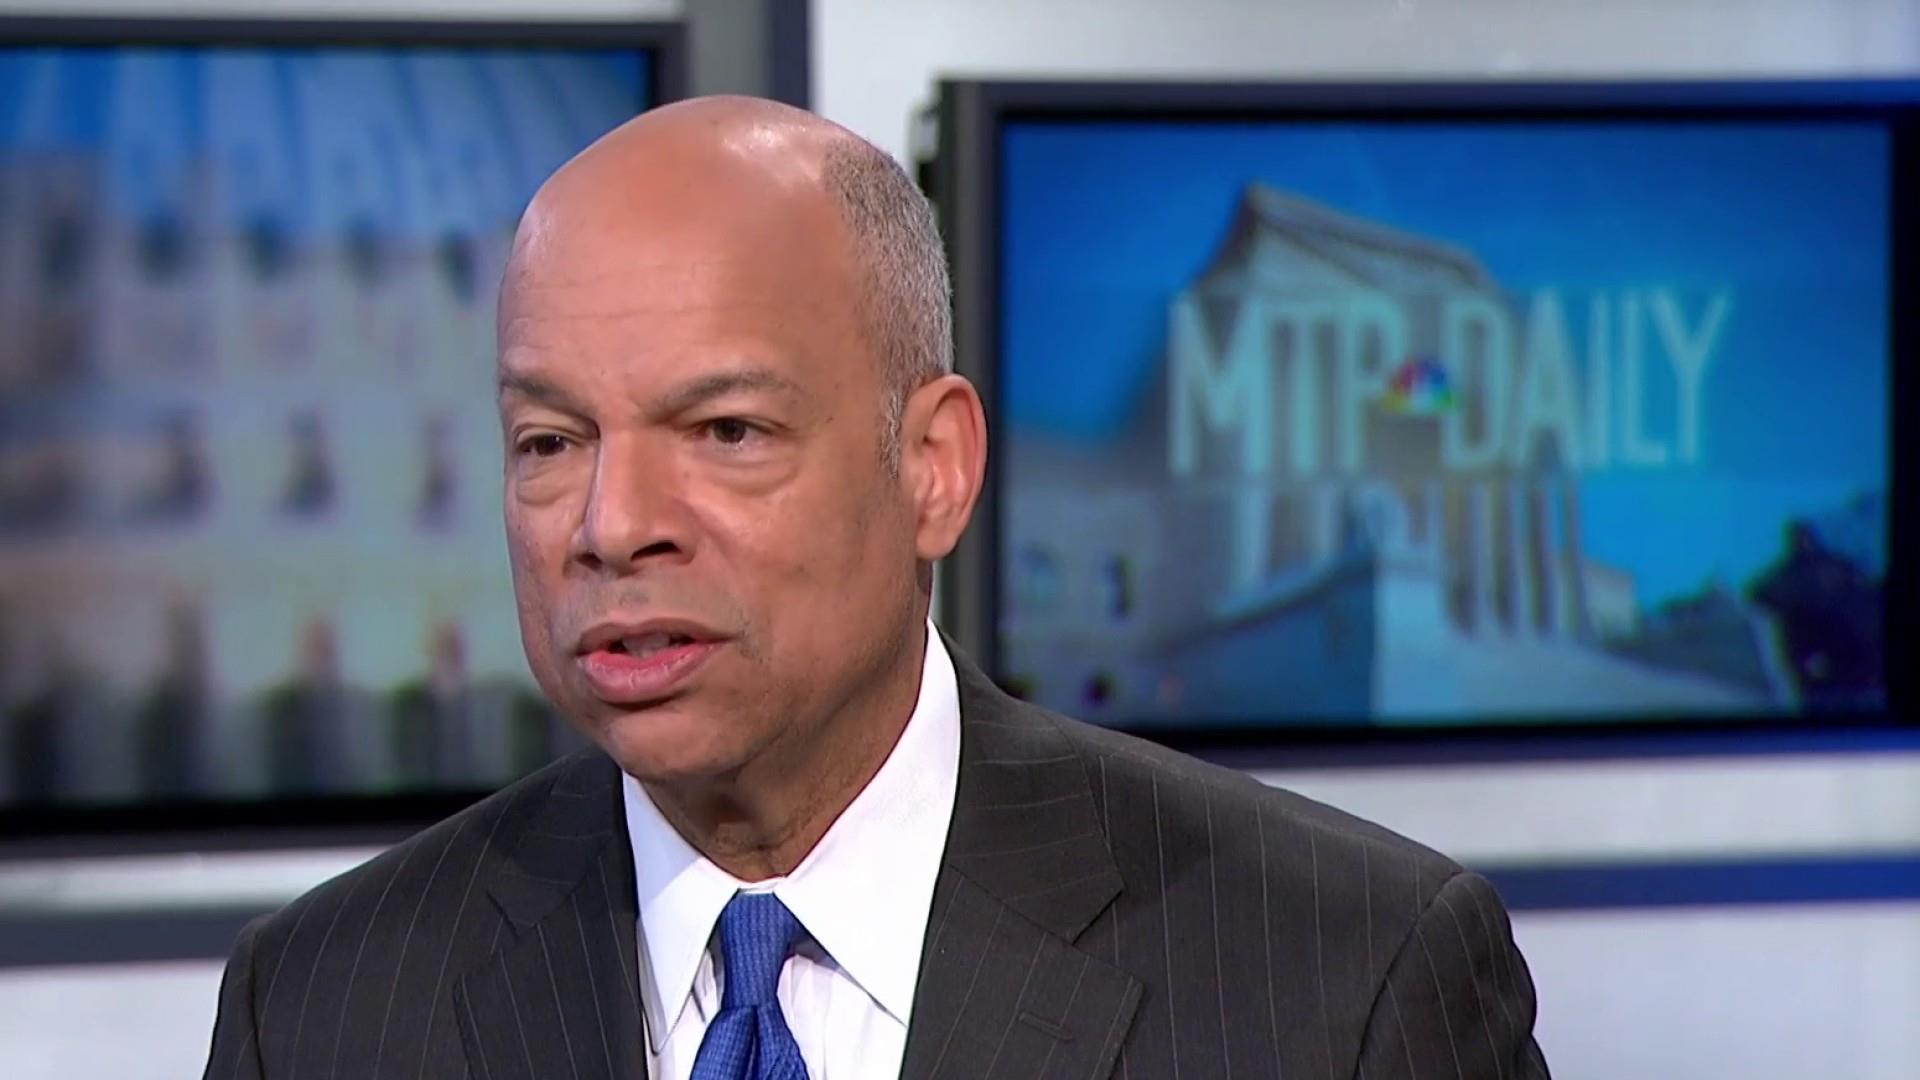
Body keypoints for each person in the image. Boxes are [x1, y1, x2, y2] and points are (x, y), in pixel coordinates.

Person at [204, 96, 1548, 1080]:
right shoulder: (322, 1010)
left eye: (725, 431)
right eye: (551, 443)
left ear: (932, 468)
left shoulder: (1342, 984)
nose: (612, 527)